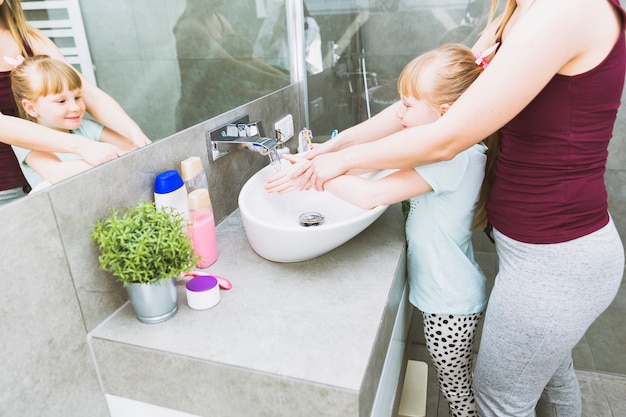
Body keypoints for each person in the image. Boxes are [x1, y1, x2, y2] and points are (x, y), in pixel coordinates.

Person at [267, 0, 626, 416]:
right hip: (539, 253)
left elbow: (445, 136)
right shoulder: (517, 12)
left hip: (557, 260)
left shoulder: (566, 9)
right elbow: (429, 100)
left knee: (499, 403)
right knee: (550, 374)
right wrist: (337, 145)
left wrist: (337, 164)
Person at [269, 43, 495, 417]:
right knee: (453, 383)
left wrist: (309, 172)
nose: (399, 113)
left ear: (445, 113)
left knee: (457, 393)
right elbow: (376, 167)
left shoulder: (454, 157)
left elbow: (371, 194)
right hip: (450, 294)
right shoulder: (454, 151)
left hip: (449, 303)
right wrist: (322, 158)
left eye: (408, 105)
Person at [0, 0, 150, 203]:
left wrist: (135, 135)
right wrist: (83, 147)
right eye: (61, 101)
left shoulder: (27, 36)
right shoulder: (71, 142)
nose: (73, 106)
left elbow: (87, 92)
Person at [9, 55, 138, 191]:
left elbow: (131, 148)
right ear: (31, 108)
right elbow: (57, 173)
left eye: (77, 97)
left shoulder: (86, 127)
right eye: (61, 101)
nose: (75, 107)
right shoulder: (25, 140)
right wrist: (112, 159)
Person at [173, 0, 289, 130]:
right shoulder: (189, 26)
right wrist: (275, 80)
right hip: (200, 113)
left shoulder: (220, 20)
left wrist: (284, 78)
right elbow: (230, 65)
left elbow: (247, 58)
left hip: (223, 104)